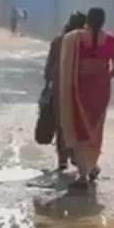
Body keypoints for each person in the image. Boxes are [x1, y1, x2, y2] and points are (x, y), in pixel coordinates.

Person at [57, 7, 114, 190]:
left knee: (80, 129)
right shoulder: (111, 40)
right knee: (96, 130)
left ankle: (83, 174)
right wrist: (106, 77)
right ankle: (92, 165)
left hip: (80, 90)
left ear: (88, 20)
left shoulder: (75, 39)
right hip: (101, 91)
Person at [44, 12, 87, 171]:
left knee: (61, 123)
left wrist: (48, 82)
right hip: (79, 88)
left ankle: (62, 159)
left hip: (59, 87)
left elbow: (50, 64)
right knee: (77, 122)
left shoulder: (58, 40)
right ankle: (75, 155)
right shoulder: (84, 42)